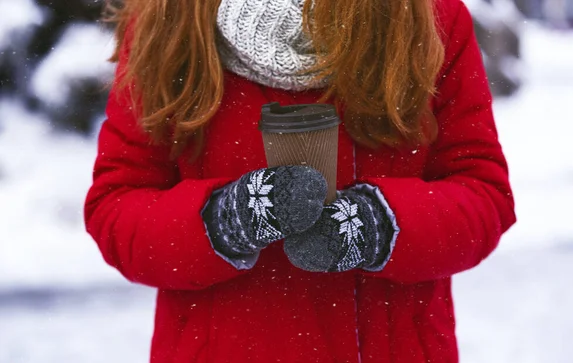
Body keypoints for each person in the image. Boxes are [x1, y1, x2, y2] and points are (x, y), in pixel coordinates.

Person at [84, 0, 516, 361]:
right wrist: (223, 221)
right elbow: (115, 207)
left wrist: (379, 225)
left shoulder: (427, 16)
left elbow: (483, 194)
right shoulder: (168, 20)